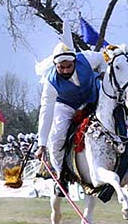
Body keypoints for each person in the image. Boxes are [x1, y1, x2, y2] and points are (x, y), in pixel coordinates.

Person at [34, 39, 106, 196]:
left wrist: (103, 73)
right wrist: (42, 144)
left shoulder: (86, 58)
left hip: (92, 98)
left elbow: (103, 58)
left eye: (69, 67)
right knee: (57, 136)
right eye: (61, 67)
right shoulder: (50, 82)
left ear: (75, 61)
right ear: (55, 66)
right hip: (65, 105)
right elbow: (46, 112)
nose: (66, 71)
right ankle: (60, 176)